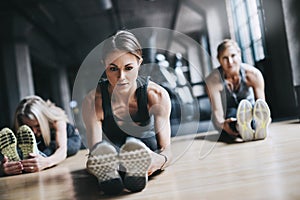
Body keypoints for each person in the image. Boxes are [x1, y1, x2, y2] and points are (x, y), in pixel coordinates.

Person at [82, 30, 172, 195]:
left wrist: (156, 161)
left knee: (146, 145)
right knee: (103, 151)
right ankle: (112, 173)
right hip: (111, 153)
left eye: (128, 68)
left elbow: (167, 150)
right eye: (113, 68)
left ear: (139, 63)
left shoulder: (156, 96)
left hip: (146, 150)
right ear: (104, 65)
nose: (121, 76)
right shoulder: (93, 100)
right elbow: (93, 152)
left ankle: (135, 169)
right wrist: (94, 162)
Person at [205, 39, 271, 142]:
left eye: (233, 56)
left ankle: (257, 127)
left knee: (252, 114)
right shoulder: (212, 80)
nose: (230, 62)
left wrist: (264, 118)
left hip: (251, 110)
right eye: (225, 58)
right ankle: (238, 127)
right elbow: (217, 112)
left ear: (239, 54)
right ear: (219, 59)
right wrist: (224, 125)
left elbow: (261, 105)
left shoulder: (254, 74)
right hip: (227, 116)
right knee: (233, 114)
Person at [0, 95, 81, 176]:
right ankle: (26, 158)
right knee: (23, 150)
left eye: (37, 126)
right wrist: (6, 168)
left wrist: (45, 162)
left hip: (69, 139)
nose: (34, 131)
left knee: (52, 148)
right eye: (29, 127)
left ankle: (38, 155)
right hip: (42, 144)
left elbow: (62, 150)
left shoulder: (56, 121)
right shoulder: (20, 129)